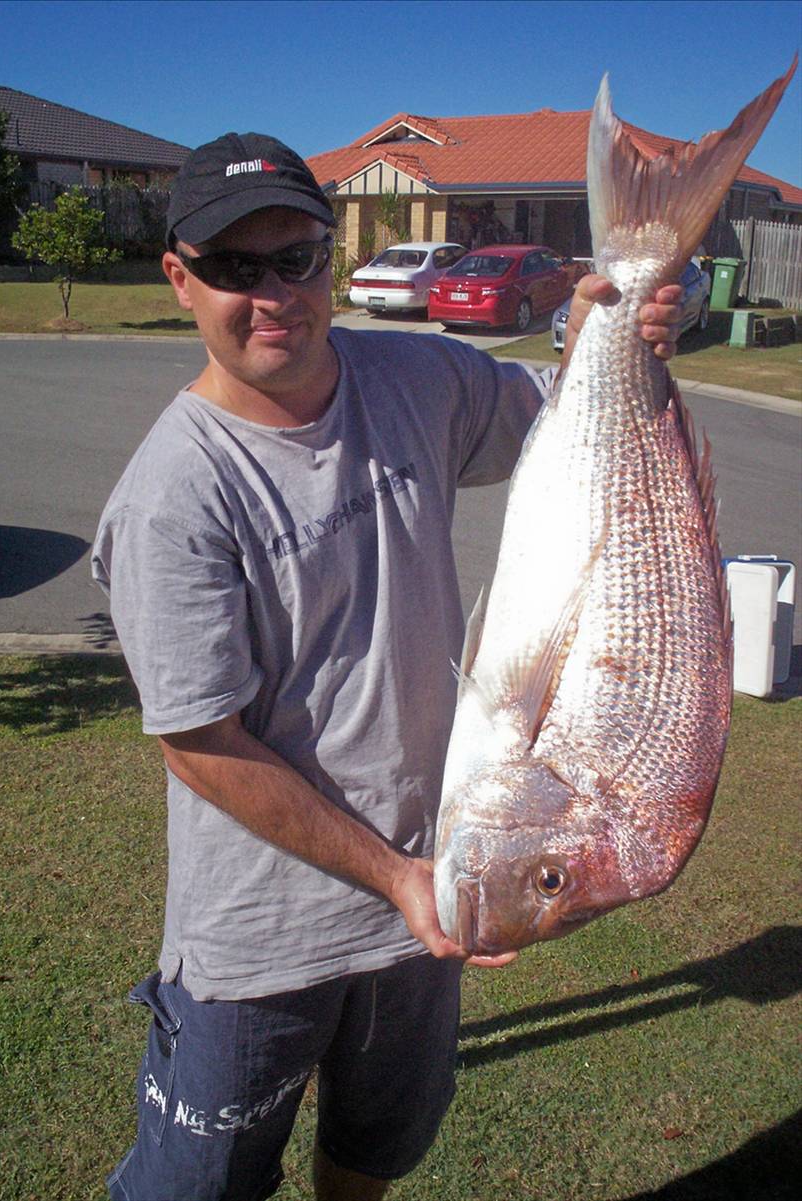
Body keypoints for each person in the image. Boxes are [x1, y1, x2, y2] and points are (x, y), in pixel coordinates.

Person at [92, 131, 682, 1201]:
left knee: (370, 1158)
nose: (273, 294)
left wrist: (607, 333)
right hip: (262, 938)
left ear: (330, 260)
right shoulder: (172, 496)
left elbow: (571, 436)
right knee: (195, 1188)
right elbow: (202, 747)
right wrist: (402, 878)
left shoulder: (415, 375)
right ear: (180, 280)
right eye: (235, 267)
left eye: (298, 259)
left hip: (435, 903)